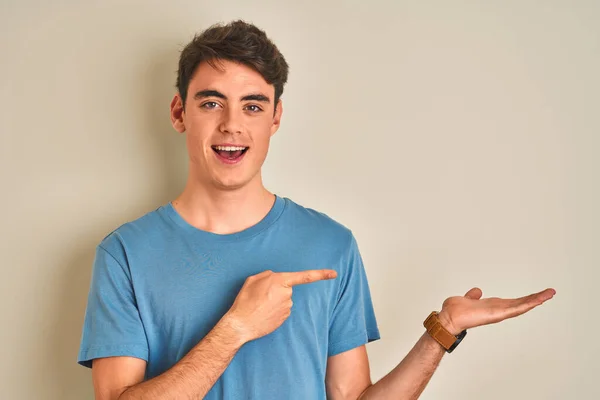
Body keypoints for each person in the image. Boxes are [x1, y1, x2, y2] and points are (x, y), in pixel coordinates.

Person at [77, 20, 555, 400]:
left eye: (252, 106)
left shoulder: (330, 245)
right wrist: (237, 327)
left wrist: (442, 332)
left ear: (275, 118)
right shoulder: (125, 254)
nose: (231, 125)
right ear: (180, 113)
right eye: (211, 102)